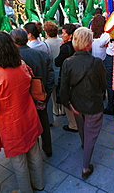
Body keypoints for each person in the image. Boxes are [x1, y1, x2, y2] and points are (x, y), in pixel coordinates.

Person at [0, 32, 44, 192]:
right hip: (29, 115)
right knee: (34, 151)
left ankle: (25, 190)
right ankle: (39, 183)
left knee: (19, 161)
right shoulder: (22, 65)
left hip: (11, 123)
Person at [59, 27, 106, 179]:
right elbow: (102, 84)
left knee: (82, 128)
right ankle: (85, 167)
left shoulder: (67, 62)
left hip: (76, 103)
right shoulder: (97, 62)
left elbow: (63, 88)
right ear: (89, 44)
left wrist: (69, 104)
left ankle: (84, 145)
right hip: (93, 104)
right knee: (91, 134)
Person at [10, 28, 54, 157]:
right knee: (44, 122)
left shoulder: (12, 59)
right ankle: (48, 148)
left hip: (23, 100)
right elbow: (50, 78)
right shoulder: (41, 54)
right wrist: (45, 96)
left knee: (28, 126)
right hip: (40, 96)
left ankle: (33, 151)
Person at [55, 23, 78, 132]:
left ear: (70, 35)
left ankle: (73, 124)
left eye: (64, 33)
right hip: (77, 74)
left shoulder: (65, 48)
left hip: (67, 76)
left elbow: (57, 62)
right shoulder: (77, 44)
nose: (62, 35)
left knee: (68, 100)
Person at [44, 21, 64, 118]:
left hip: (52, 69)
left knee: (53, 93)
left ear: (47, 33)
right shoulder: (61, 41)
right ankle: (63, 109)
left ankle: (56, 110)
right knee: (62, 90)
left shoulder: (45, 44)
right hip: (62, 70)